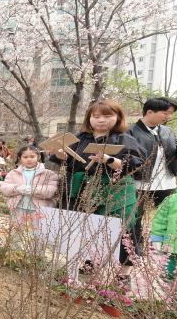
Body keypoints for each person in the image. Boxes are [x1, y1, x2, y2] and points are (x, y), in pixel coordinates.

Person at [54, 99, 145, 263]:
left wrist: (108, 159)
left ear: (118, 117)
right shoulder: (80, 138)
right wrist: (62, 156)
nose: (100, 120)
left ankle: (123, 272)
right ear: (89, 118)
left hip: (114, 189)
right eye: (95, 116)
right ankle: (84, 263)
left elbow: (133, 165)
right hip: (80, 189)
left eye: (107, 115)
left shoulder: (124, 138)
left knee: (122, 229)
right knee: (81, 227)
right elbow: (68, 162)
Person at [128, 97, 177, 255]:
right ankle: (135, 250)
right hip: (141, 183)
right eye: (165, 113)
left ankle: (167, 250)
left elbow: (176, 150)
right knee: (136, 218)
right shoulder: (130, 131)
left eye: (170, 114)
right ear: (149, 112)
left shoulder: (167, 131)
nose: (168, 117)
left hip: (167, 182)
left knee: (171, 216)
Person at [0, 144, 59, 222]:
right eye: (25, 157)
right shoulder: (13, 173)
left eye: (32, 156)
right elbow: (4, 188)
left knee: (37, 232)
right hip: (18, 208)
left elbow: (52, 190)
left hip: (40, 210)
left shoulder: (48, 173)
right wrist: (18, 188)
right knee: (18, 232)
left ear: (38, 157)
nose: (29, 159)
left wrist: (33, 189)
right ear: (20, 158)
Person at [149, 179, 177, 281]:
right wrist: (157, 241)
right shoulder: (171, 200)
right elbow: (159, 222)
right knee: (169, 281)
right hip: (172, 250)